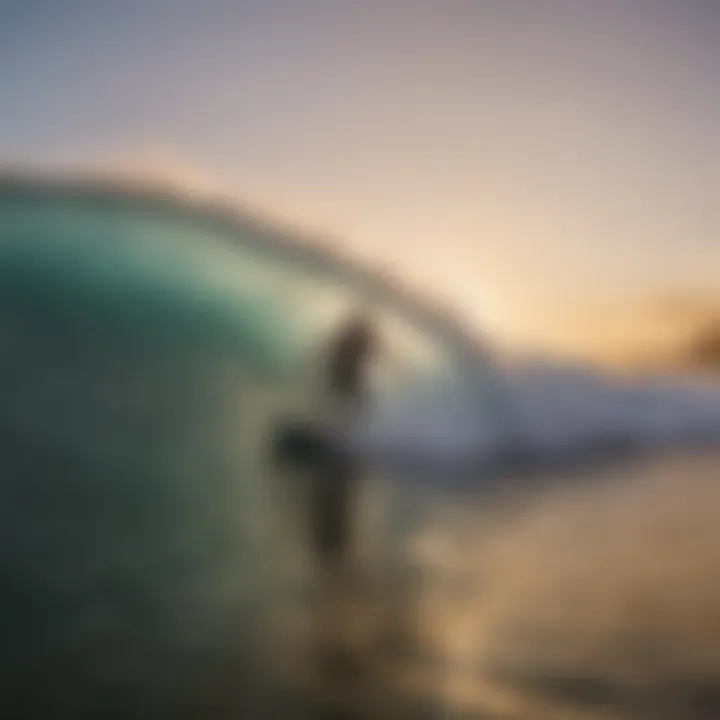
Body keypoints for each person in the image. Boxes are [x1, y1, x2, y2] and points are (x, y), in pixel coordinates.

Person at [310, 311, 377, 575]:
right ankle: (333, 559)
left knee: (335, 510)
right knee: (332, 512)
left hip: (341, 456)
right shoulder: (345, 361)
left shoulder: (350, 367)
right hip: (339, 453)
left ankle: (334, 560)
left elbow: (351, 396)